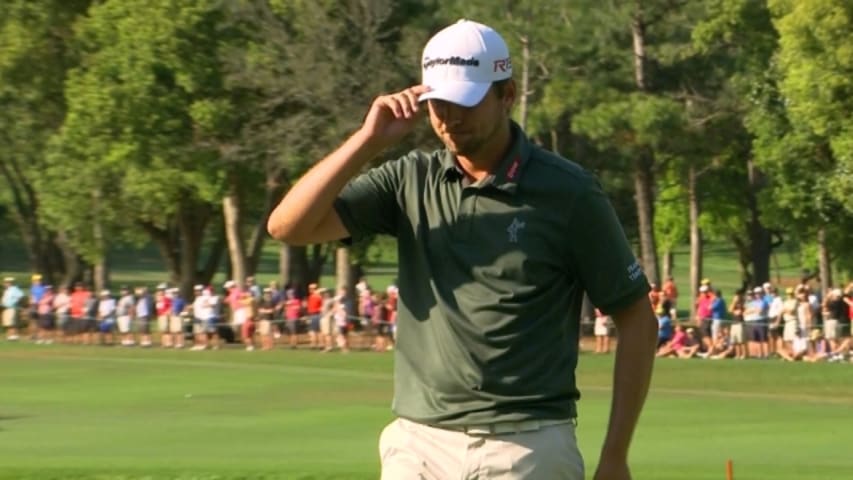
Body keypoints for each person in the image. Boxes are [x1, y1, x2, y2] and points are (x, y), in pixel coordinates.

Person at [266, 19, 657, 480]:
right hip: (419, 444)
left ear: (506, 94)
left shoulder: (569, 192)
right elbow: (287, 226)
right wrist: (366, 142)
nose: (449, 118)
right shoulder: (408, 180)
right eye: (437, 103)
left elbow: (637, 320)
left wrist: (615, 456)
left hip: (526, 445)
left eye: (465, 103)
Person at [2, 277, 25, 341]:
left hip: (12, 308)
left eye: (6, 282)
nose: (5, 284)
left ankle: (14, 336)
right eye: (5, 282)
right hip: (6, 308)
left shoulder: (14, 289)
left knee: (12, 323)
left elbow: (21, 296)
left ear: (10, 283)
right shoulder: (7, 290)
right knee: (8, 323)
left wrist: (15, 302)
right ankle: (10, 336)